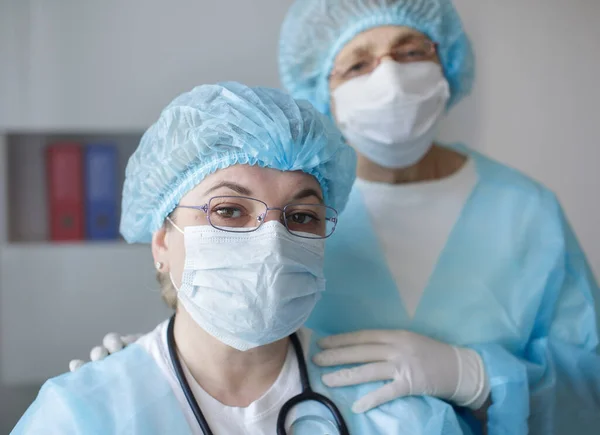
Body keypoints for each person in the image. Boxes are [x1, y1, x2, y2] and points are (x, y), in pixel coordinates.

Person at [70, 1, 600, 433]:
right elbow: (242, 312)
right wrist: (157, 369)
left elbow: (590, 383)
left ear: (447, 63)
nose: (389, 76)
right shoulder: (295, 198)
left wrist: (481, 378)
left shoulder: (525, 211)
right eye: (358, 62)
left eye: (410, 50)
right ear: (321, 87)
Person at [13, 83, 476, 435]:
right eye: (229, 210)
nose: (272, 241)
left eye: (301, 215)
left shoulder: (393, 412)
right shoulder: (84, 415)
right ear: (162, 242)